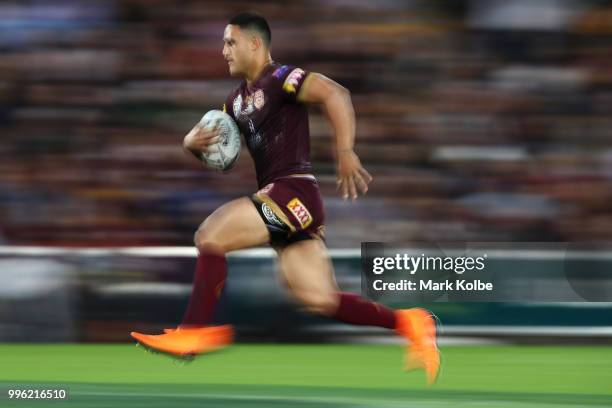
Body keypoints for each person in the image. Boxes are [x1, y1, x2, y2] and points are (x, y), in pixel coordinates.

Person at [130, 11, 439, 384]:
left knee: (210, 235)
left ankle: (194, 331)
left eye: (231, 42)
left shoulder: (280, 79)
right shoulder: (236, 102)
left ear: (255, 44)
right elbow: (218, 149)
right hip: (290, 203)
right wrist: (189, 143)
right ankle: (409, 322)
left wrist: (345, 151)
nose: (223, 50)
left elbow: (336, 93)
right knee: (319, 299)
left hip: (293, 192)